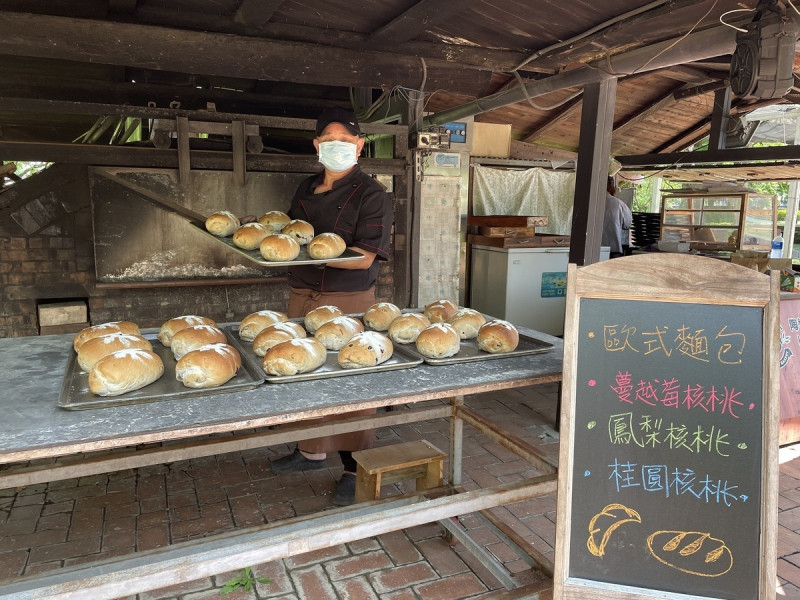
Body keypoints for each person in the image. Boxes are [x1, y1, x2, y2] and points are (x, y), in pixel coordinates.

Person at [269, 106, 394, 506]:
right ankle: (311, 451)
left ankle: (354, 467)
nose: (337, 146)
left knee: (350, 381)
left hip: (347, 300)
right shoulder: (306, 188)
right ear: (316, 145)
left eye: (345, 140)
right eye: (329, 140)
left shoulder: (373, 194)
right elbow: (292, 233)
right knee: (305, 375)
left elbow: (363, 257)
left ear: (359, 145)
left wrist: (311, 256)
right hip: (302, 295)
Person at [602, 176, 632, 258]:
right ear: (612, 187)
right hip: (613, 248)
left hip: (591, 248)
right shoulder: (619, 204)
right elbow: (627, 224)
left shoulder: (589, 202)